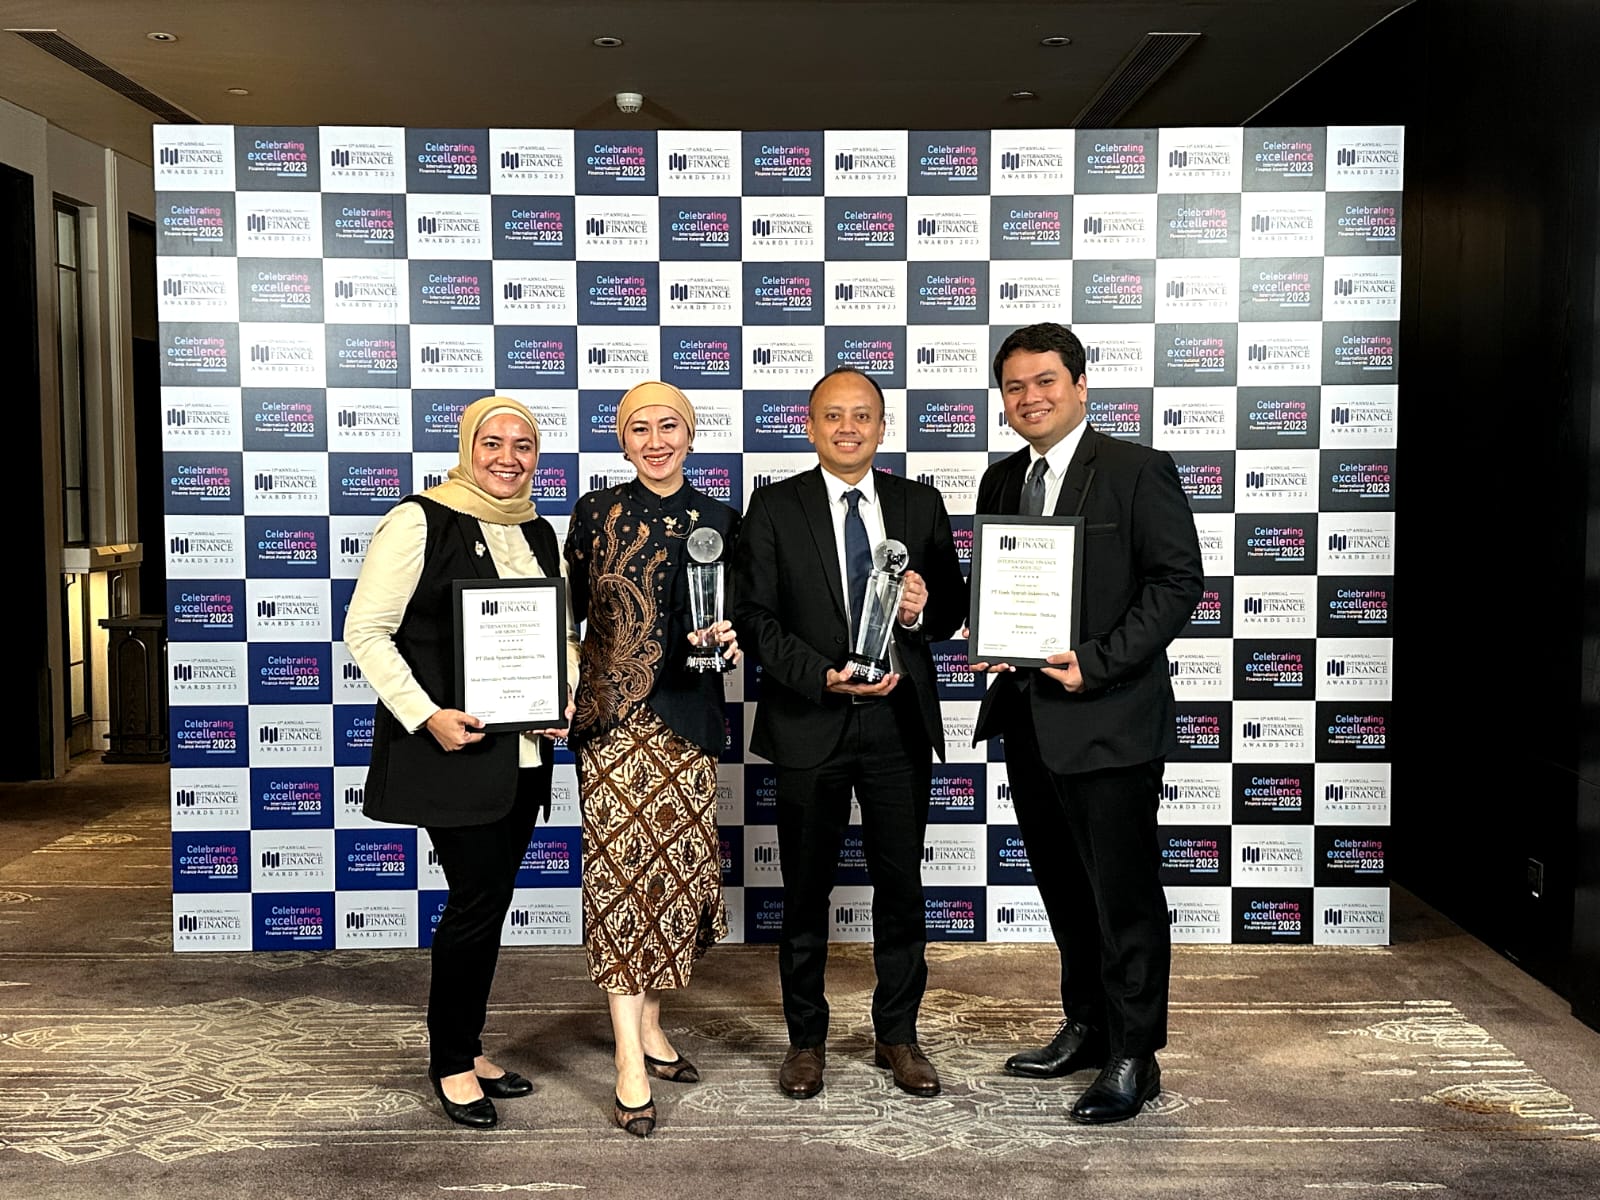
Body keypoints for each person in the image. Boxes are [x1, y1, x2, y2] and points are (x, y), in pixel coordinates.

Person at [971, 322, 1204, 1124]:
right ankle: (1088, 1025)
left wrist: (1096, 662)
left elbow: (1177, 583)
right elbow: (1004, 586)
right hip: (1029, 720)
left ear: (1079, 386)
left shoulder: (1137, 470)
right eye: (1014, 386)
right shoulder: (1002, 481)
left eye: (1045, 381)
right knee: (1065, 889)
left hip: (1110, 718)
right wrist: (993, 635)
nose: (1029, 397)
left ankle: (1136, 1053)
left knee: (1123, 895)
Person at [345, 395, 581, 1130]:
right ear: (466, 446)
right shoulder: (419, 519)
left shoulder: (538, 529)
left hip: (524, 755)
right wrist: (426, 716)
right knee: (477, 901)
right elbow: (367, 631)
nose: (508, 457)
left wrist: (563, 693)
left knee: (489, 902)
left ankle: (469, 1048)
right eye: (493, 442)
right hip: (453, 751)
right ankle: (450, 1060)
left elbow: (558, 633)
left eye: (523, 445)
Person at [733, 367, 966, 1101]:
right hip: (811, 719)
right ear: (810, 427)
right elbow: (755, 617)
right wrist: (821, 675)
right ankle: (806, 1040)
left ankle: (898, 1034)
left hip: (897, 723)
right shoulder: (774, 507)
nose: (848, 427)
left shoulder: (919, 503)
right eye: (832, 415)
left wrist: (923, 608)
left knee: (901, 887)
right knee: (804, 892)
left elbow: (954, 606)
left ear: (882, 426)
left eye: (862, 415)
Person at [564, 381, 741, 1138]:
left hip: (688, 722)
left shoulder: (724, 519)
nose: (656, 440)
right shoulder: (594, 514)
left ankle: (652, 1024)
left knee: (672, 881)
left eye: (670, 426)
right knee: (620, 882)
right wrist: (562, 685)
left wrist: (732, 640)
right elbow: (568, 614)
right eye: (640, 428)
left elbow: (741, 621)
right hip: (610, 722)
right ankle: (628, 1060)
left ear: (691, 435)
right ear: (622, 440)